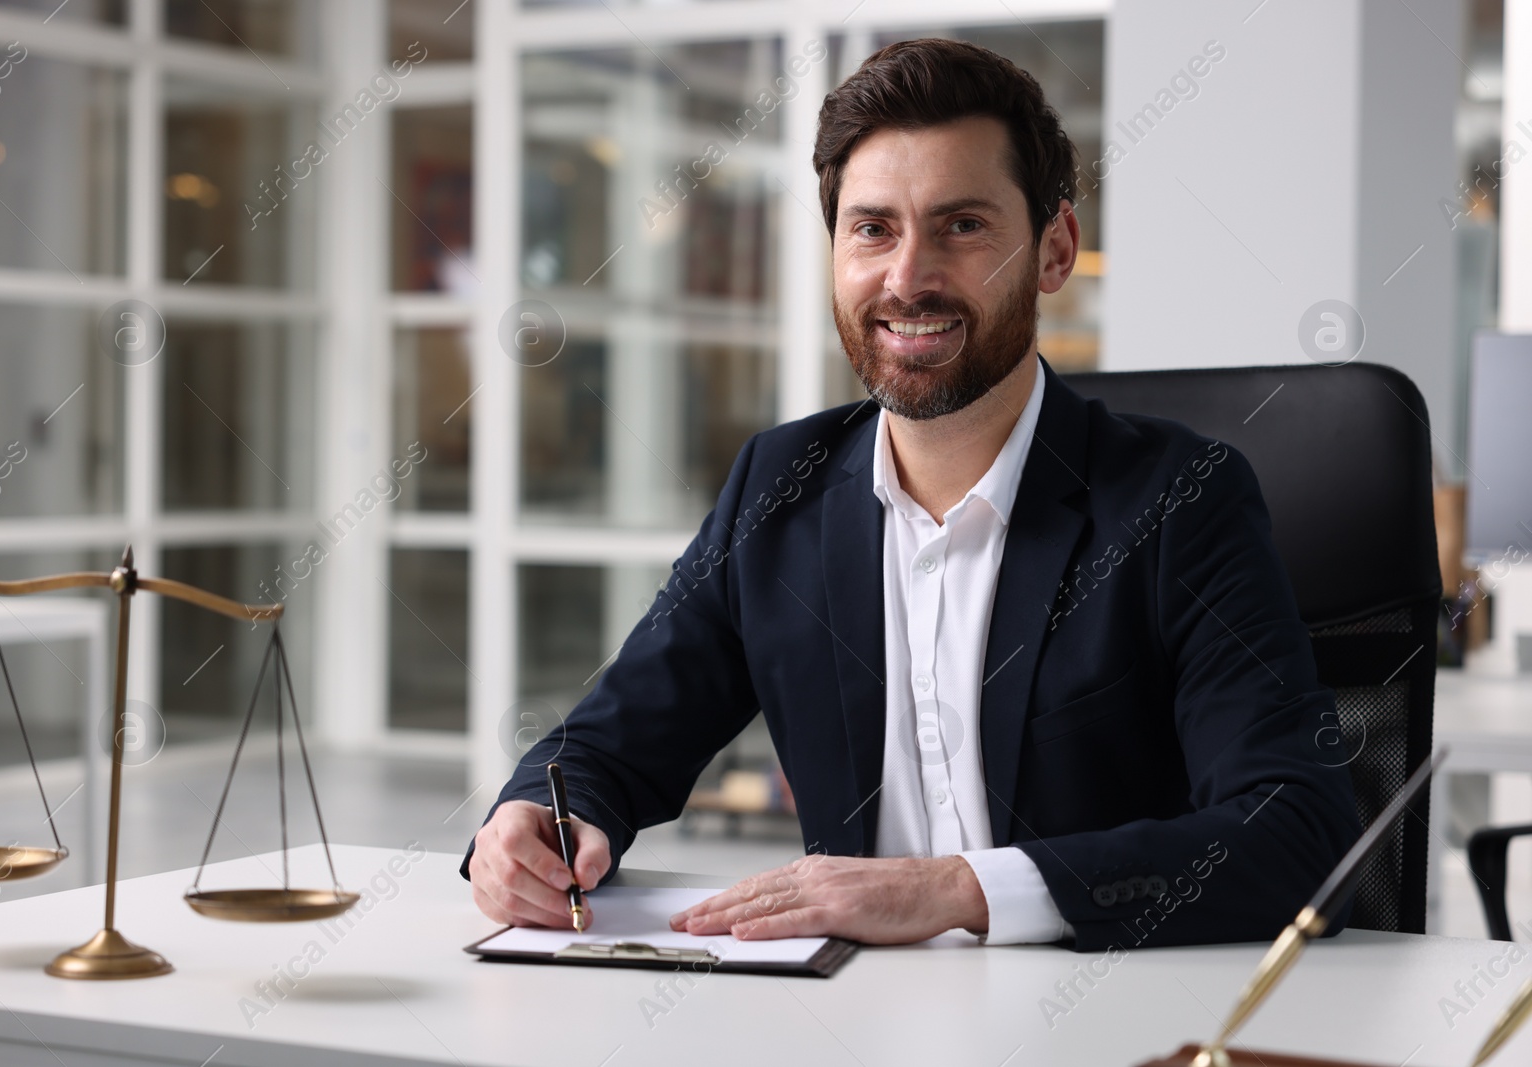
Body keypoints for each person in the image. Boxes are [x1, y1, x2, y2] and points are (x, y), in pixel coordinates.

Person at [463, 38, 1361, 952]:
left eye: (962, 225)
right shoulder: (780, 489)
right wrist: (534, 815)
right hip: (855, 1021)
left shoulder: (1179, 500)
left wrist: (959, 890)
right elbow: (609, 745)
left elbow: (1300, 828)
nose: (907, 276)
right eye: (873, 228)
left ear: (1055, 250)